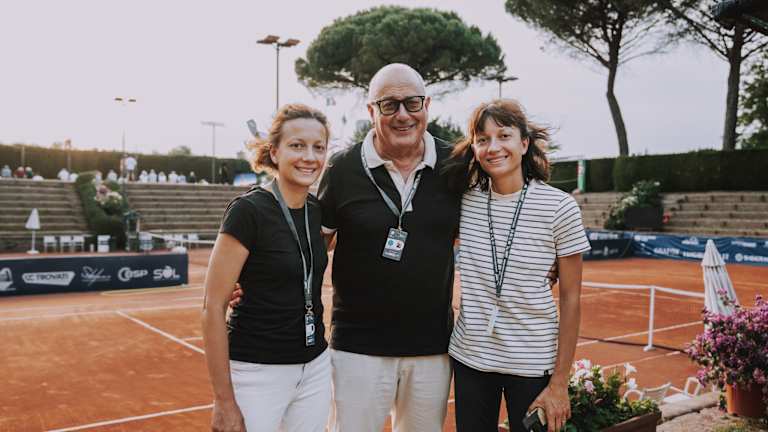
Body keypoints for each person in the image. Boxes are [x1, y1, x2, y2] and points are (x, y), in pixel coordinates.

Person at [318, 63, 461, 432]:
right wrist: (256, 281)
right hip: (357, 350)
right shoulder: (342, 169)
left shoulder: (456, 166)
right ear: (370, 111)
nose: (402, 115)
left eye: (412, 103)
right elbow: (313, 248)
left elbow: (487, 230)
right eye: (389, 105)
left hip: (431, 349)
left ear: (427, 105)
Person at [444, 99, 590, 432]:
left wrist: (559, 383)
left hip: (532, 364)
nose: (493, 147)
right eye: (483, 140)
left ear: (524, 143)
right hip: (471, 360)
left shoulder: (560, 207)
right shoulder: (463, 201)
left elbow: (570, 299)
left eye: (504, 136)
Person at [202, 104, 332, 432]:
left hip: (315, 366)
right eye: (297, 145)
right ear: (274, 151)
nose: (309, 156)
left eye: (318, 147)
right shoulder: (248, 211)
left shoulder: (317, 210)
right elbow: (212, 306)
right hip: (257, 370)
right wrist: (224, 400)